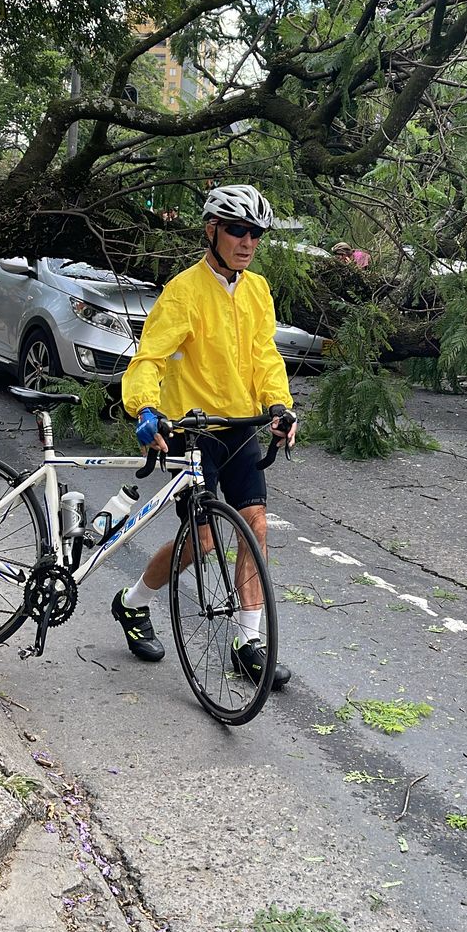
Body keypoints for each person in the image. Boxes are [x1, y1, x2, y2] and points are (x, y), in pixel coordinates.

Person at [117, 184, 296, 690]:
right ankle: (132, 603)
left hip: (240, 426)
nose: (247, 241)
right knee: (202, 539)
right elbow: (149, 358)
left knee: (254, 527)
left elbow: (265, 356)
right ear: (211, 231)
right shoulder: (184, 291)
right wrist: (145, 407)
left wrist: (280, 406)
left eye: (255, 233)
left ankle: (247, 642)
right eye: (237, 230)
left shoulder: (257, 290)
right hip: (190, 428)